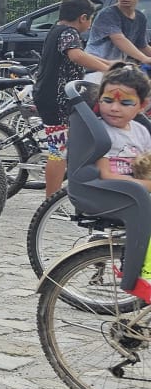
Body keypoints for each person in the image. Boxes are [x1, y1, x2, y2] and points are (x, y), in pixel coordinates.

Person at [66, 67, 151, 304]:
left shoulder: (141, 131)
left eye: (125, 102)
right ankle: (140, 273)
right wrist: (145, 184)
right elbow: (106, 174)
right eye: (107, 100)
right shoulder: (101, 131)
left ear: (141, 106)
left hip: (135, 187)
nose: (114, 108)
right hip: (111, 190)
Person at [35, 0, 104, 194]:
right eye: (90, 19)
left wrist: (108, 62)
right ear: (83, 18)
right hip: (55, 101)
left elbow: (81, 54)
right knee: (58, 152)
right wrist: (107, 68)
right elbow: (77, 55)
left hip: (50, 97)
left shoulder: (57, 29)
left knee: (60, 150)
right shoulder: (69, 33)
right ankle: (51, 201)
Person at [90, 0, 150, 67]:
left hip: (115, 69)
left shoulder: (140, 18)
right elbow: (119, 39)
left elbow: (142, 46)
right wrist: (144, 58)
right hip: (95, 67)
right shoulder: (108, 14)